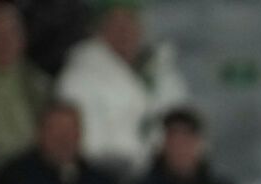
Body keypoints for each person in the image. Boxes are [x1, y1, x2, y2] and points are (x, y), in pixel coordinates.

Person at [54, 0, 190, 174]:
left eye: (130, 21)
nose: (124, 31)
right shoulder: (77, 80)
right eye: (115, 23)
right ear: (99, 29)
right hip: (109, 179)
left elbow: (186, 122)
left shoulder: (162, 72)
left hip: (166, 180)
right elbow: (82, 148)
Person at [0, 2, 50, 174]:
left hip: (33, 172)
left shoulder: (40, 84)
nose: (4, 42)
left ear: (22, 40)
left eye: (10, 34)